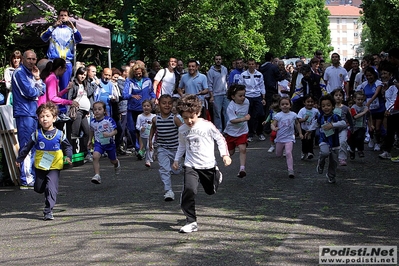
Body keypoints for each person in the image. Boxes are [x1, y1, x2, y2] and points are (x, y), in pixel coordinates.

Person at [172, 94, 231, 233]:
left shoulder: (207, 126)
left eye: (191, 117)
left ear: (198, 113)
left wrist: (225, 155)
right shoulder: (182, 129)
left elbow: (220, 139)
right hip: (190, 165)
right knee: (189, 190)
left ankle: (217, 175)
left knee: (210, 191)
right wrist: (176, 159)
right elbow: (182, 145)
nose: (189, 121)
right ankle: (191, 221)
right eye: (185, 118)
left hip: (208, 165)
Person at [16, 102, 72, 220]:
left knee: (51, 188)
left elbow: (67, 146)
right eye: (42, 116)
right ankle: (42, 188)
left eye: (47, 116)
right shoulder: (37, 134)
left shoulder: (59, 134)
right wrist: (20, 158)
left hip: (55, 166)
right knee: (39, 187)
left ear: (54, 118)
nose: (44, 119)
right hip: (41, 166)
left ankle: (48, 211)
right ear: (38, 119)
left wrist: (68, 157)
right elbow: (27, 147)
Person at [12, 50, 46, 188]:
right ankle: (26, 179)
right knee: (26, 145)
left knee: (33, 145)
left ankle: (31, 175)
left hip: (32, 113)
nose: (31, 62)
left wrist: (38, 79)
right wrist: (36, 89)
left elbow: (42, 89)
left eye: (34, 59)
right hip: (24, 113)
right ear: (23, 59)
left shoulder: (32, 73)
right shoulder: (19, 73)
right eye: (29, 59)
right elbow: (30, 92)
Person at [40, 8, 82, 111]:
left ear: (68, 17)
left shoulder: (71, 30)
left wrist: (73, 27)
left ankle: (62, 110)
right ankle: (50, 108)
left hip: (66, 62)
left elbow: (79, 39)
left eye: (65, 15)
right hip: (53, 61)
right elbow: (43, 38)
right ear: (58, 17)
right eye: (61, 15)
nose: (63, 17)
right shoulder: (52, 29)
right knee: (51, 85)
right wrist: (53, 26)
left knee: (64, 87)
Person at [149, 94, 183, 201]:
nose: (167, 105)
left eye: (169, 103)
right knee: (164, 169)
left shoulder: (175, 119)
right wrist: (150, 140)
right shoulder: (155, 119)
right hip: (162, 148)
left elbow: (183, 130)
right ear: (159, 105)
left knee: (177, 170)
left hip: (176, 149)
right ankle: (168, 191)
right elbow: (153, 129)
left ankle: (179, 169)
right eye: (164, 103)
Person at [123, 63, 155, 155]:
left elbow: (151, 92)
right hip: (132, 109)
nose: (138, 75)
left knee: (145, 129)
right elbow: (124, 95)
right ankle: (137, 148)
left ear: (143, 72)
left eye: (140, 73)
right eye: (136, 73)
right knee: (133, 130)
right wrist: (132, 95)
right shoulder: (129, 81)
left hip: (144, 110)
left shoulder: (148, 81)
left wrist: (153, 98)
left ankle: (144, 148)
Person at [316, 94, 347, 184]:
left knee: (333, 161)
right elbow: (316, 125)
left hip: (334, 142)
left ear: (333, 106)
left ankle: (331, 176)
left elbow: (343, 123)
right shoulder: (320, 117)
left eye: (328, 105)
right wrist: (309, 131)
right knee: (325, 152)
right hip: (323, 140)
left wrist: (333, 125)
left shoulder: (335, 117)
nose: (326, 108)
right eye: (323, 106)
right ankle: (321, 164)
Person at [88, 101, 121, 184]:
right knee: (95, 156)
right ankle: (97, 175)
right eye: (95, 109)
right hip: (99, 143)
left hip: (109, 143)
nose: (97, 111)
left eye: (99, 109)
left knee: (112, 160)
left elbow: (116, 131)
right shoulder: (92, 122)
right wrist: (89, 140)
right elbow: (91, 131)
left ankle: (116, 164)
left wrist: (110, 134)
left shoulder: (109, 120)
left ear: (104, 111)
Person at [270, 97, 303, 178]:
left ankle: (290, 170)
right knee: (278, 154)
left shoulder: (293, 115)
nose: (285, 106)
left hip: (289, 138)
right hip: (280, 138)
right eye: (282, 104)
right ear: (280, 106)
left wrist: (300, 133)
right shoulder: (278, 115)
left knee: (288, 153)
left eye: (286, 104)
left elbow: (297, 124)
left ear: (290, 105)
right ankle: (282, 150)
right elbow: (272, 124)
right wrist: (274, 128)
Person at [355, 67, 385, 151]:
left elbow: (376, 93)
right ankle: (371, 139)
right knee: (371, 128)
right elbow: (361, 94)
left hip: (379, 108)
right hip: (369, 110)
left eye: (370, 75)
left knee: (378, 127)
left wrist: (369, 102)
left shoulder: (378, 83)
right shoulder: (364, 84)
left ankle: (378, 143)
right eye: (367, 75)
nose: (369, 77)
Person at [223, 84, 250, 178]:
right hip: (231, 131)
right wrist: (244, 119)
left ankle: (242, 169)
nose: (243, 98)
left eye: (244, 95)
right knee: (231, 152)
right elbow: (232, 120)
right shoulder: (230, 107)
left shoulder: (247, 102)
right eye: (240, 96)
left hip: (242, 131)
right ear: (233, 97)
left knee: (243, 149)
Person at [239, 58, 266, 142]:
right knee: (249, 116)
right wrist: (242, 97)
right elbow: (241, 86)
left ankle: (260, 132)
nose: (251, 66)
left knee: (260, 114)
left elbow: (262, 86)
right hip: (247, 96)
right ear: (247, 65)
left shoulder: (259, 74)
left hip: (257, 96)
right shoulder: (243, 74)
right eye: (249, 64)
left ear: (255, 65)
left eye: (253, 64)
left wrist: (263, 98)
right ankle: (250, 134)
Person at [67, 67, 94, 147]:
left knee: (87, 132)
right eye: (81, 74)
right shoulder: (73, 84)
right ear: (77, 74)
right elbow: (69, 97)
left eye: (85, 75)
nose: (83, 76)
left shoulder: (85, 84)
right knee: (75, 132)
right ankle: (72, 151)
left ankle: (84, 151)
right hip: (77, 111)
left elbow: (89, 94)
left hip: (84, 112)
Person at [377, 62, 399, 160]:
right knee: (389, 132)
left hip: (395, 112)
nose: (383, 76)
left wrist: (389, 109)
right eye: (382, 74)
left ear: (391, 74)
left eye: (385, 73)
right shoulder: (384, 86)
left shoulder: (394, 86)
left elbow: (395, 99)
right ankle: (387, 151)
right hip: (389, 112)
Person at [331, 88, 353, 166]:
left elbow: (350, 118)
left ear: (343, 97)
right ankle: (333, 158)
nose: (338, 97)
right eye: (336, 95)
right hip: (332, 129)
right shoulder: (331, 107)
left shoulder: (345, 108)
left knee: (343, 142)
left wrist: (352, 127)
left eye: (340, 95)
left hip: (343, 128)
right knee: (333, 145)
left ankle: (342, 158)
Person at [207, 55, 229, 132]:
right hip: (216, 95)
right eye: (216, 59)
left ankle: (227, 130)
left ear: (221, 60)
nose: (218, 61)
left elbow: (227, 80)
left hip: (225, 94)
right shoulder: (211, 71)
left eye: (219, 59)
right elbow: (209, 84)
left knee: (227, 113)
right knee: (217, 114)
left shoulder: (225, 69)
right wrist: (211, 96)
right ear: (214, 60)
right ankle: (218, 131)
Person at [297, 94, 320, 160]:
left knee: (310, 140)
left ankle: (310, 152)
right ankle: (304, 152)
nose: (310, 103)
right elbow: (298, 120)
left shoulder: (315, 110)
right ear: (304, 102)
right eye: (308, 102)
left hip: (312, 128)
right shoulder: (302, 110)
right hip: (304, 128)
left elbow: (319, 117)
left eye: (311, 102)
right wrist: (304, 119)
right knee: (304, 141)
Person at [348, 91, 370, 160]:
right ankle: (352, 150)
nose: (360, 101)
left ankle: (360, 150)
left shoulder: (365, 107)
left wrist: (371, 125)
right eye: (358, 99)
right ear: (354, 99)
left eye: (362, 99)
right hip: (354, 127)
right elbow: (355, 116)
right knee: (352, 140)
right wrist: (364, 112)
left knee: (360, 138)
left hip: (362, 126)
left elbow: (369, 116)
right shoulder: (353, 108)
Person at [135, 100, 156, 167]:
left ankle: (148, 161)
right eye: (144, 106)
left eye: (148, 106)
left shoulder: (154, 116)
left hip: (151, 135)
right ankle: (150, 156)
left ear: (151, 108)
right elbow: (137, 126)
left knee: (148, 147)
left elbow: (156, 125)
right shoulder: (140, 116)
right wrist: (141, 128)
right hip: (143, 135)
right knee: (146, 147)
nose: (146, 107)